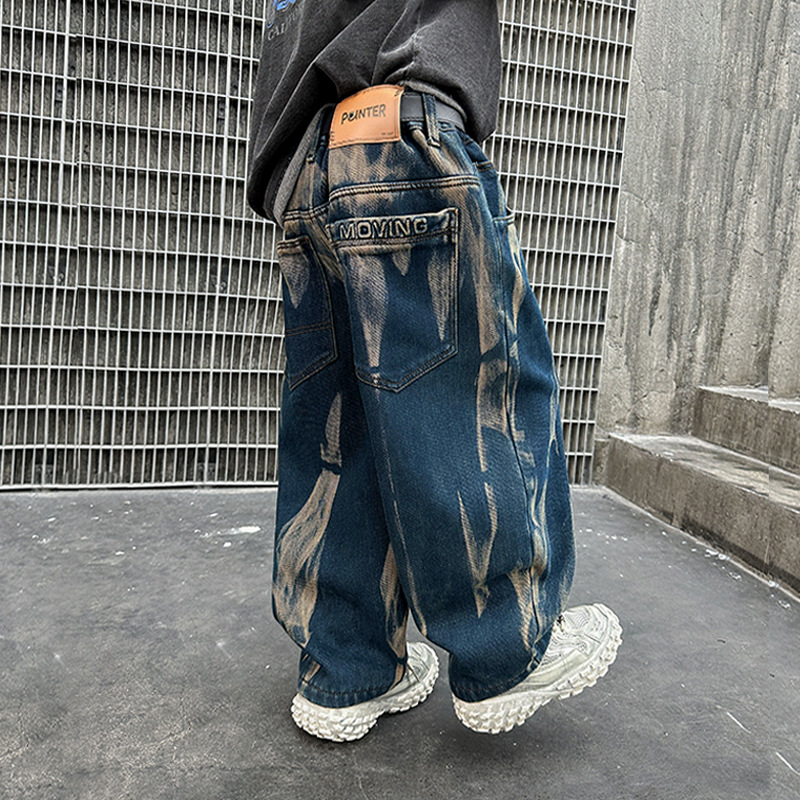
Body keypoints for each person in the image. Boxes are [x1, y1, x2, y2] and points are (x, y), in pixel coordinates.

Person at [246, 0, 621, 741]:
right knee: (469, 394)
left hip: (302, 170)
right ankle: (508, 652)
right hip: (399, 136)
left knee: (342, 430)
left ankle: (346, 672)